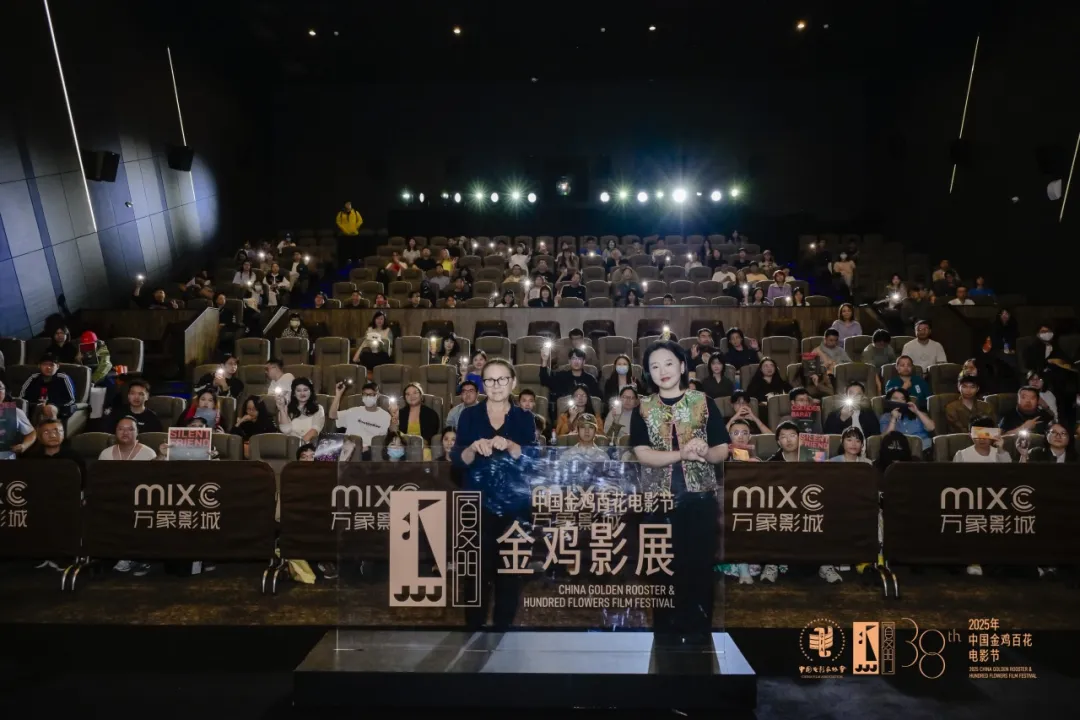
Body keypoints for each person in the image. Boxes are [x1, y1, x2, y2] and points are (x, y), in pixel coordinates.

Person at [631, 340, 730, 632]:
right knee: (662, 569)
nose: (662, 371)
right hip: (658, 502)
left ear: (683, 366)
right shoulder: (643, 408)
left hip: (700, 500)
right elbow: (642, 454)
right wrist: (681, 454)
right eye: (654, 366)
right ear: (649, 373)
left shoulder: (703, 402)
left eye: (668, 363)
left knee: (699, 569)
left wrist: (705, 452)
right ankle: (665, 632)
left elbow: (721, 450)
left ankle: (700, 632)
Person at [451, 358, 539, 630]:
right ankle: (473, 628)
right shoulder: (469, 415)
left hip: (514, 506)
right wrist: (472, 448)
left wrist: (512, 445)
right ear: (482, 384)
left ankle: (503, 628)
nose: (496, 385)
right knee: (476, 571)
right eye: (490, 380)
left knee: (510, 571)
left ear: (513, 383)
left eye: (502, 379)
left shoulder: (524, 417)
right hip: (477, 505)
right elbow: (458, 459)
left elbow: (532, 460)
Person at [328, 381, 390, 456]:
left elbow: (382, 441)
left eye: (371, 394)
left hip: (370, 453)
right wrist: (338, 394)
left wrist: (368, 448)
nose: (368, 397)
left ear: (378, 395)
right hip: (348, 451)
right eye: (365, 394)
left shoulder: (385, 416)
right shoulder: (353, 411)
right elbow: (332, 415)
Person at [540, 346, 601, 414]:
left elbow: (596, 399)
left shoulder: (590, 379)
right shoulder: (561, 376)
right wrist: (544, 360)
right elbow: (544, 381)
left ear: (584, 362)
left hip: (585, 413)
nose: (576, 361)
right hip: (564, 413)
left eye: (579, 359)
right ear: (569, 361)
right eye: (574, 358)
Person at [18, 353, 77, 423]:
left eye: (51, 365)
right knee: (11, 406)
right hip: (35, 406)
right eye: (45, 364)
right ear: (39, 366)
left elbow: (71, 400)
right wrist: (36, 405)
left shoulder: (63, 378)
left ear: (57, 366)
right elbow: (21, 397)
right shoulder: (33, 378)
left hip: (60, 407)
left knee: (48, 408)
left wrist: (50, 404)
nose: (48, 367)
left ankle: (52, 429)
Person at [879, 387, 935, 453]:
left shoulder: (918, 413)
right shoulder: (886, 417)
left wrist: (917, 411)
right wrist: (893, 418)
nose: (899, 401)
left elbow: (931, 427)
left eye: (903, 399)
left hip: (923, 447)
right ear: (889, 400)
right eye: (895, 398)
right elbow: (887, 438)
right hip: (902, 449)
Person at [276, 378, 324, 444]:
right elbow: (286, 430)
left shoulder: (318, 408)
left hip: (308, 445)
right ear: (294, 393)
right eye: (298, 390)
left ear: (311, 392)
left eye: (305, 390)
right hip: (289, 445)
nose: (302, 393)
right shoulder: (286, 408)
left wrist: (299, 446)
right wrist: (281, 409)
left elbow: (314, 431)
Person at [0, 379, 37, 455]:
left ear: (4, 392)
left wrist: (24, 445)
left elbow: (31, 432)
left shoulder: (15, 411)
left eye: (0, 388)